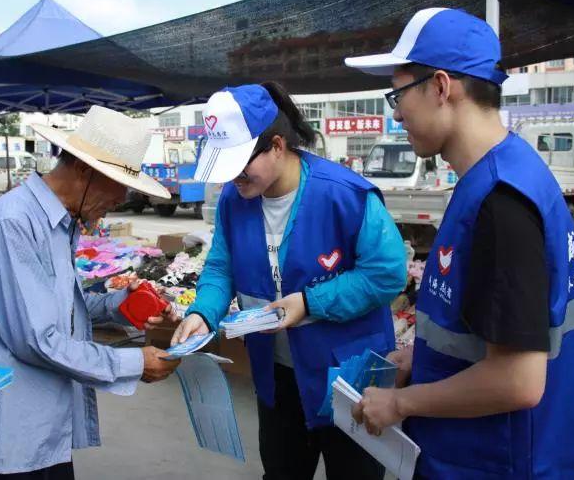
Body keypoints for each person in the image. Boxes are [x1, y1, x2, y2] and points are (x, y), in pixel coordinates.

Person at [345, 7, 574, 479]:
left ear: (440, 87)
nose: (395, 113)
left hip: (497, 460)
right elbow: (491, 326)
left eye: (398, 94)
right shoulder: (498, 175)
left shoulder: (501, 201)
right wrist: (421, 358)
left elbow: (517, 381)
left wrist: (399, 402)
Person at [171, 83, 406, 480]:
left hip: (348, 375)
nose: (234, 180)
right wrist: (204, 313)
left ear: (277, 146)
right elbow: (220, 267)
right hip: (278, 376)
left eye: (241, 165)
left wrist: (311, 302)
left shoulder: (345, 195)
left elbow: (386, 274)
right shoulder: (235, 201)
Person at [0, 105, 182, 479]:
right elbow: (37, 339)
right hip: (13, 431)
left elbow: (60, 307)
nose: (120, 197)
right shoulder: (13, 224)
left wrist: (123, 305)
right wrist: (134, 363)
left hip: (44, 428)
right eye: (117, 184)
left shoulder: (61, 224)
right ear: (83, 169)